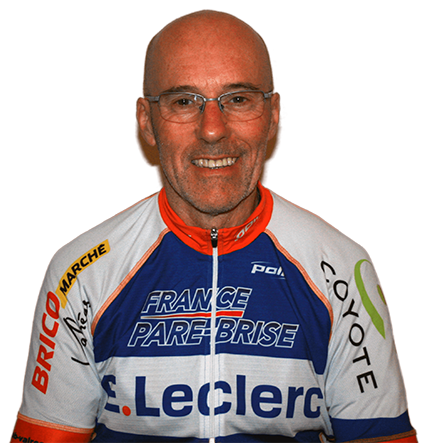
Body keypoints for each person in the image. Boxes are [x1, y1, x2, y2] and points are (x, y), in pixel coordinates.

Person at [11, 10, 416, 443]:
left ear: (272, 115)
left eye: (238, 99)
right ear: (147, 122)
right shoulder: (79, 274)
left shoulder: (341, 268)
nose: (212, 130)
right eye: (184, 102)